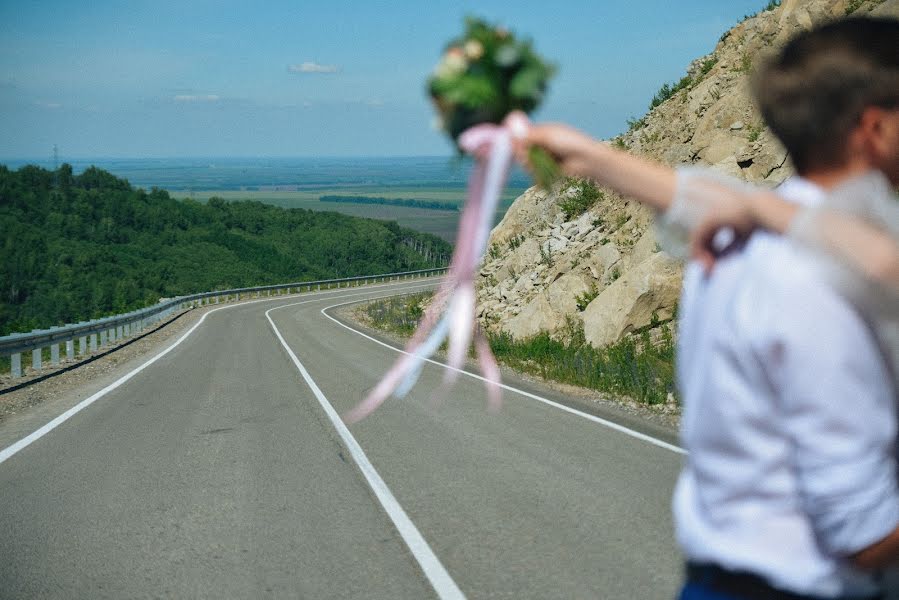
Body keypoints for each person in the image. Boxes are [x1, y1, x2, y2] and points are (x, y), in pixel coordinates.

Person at [514, 16, 899, 599]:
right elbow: (861, 533)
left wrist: (595, 158)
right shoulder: (824, 275)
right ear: (876, 128)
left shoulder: (739, 236)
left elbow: (730, 203)